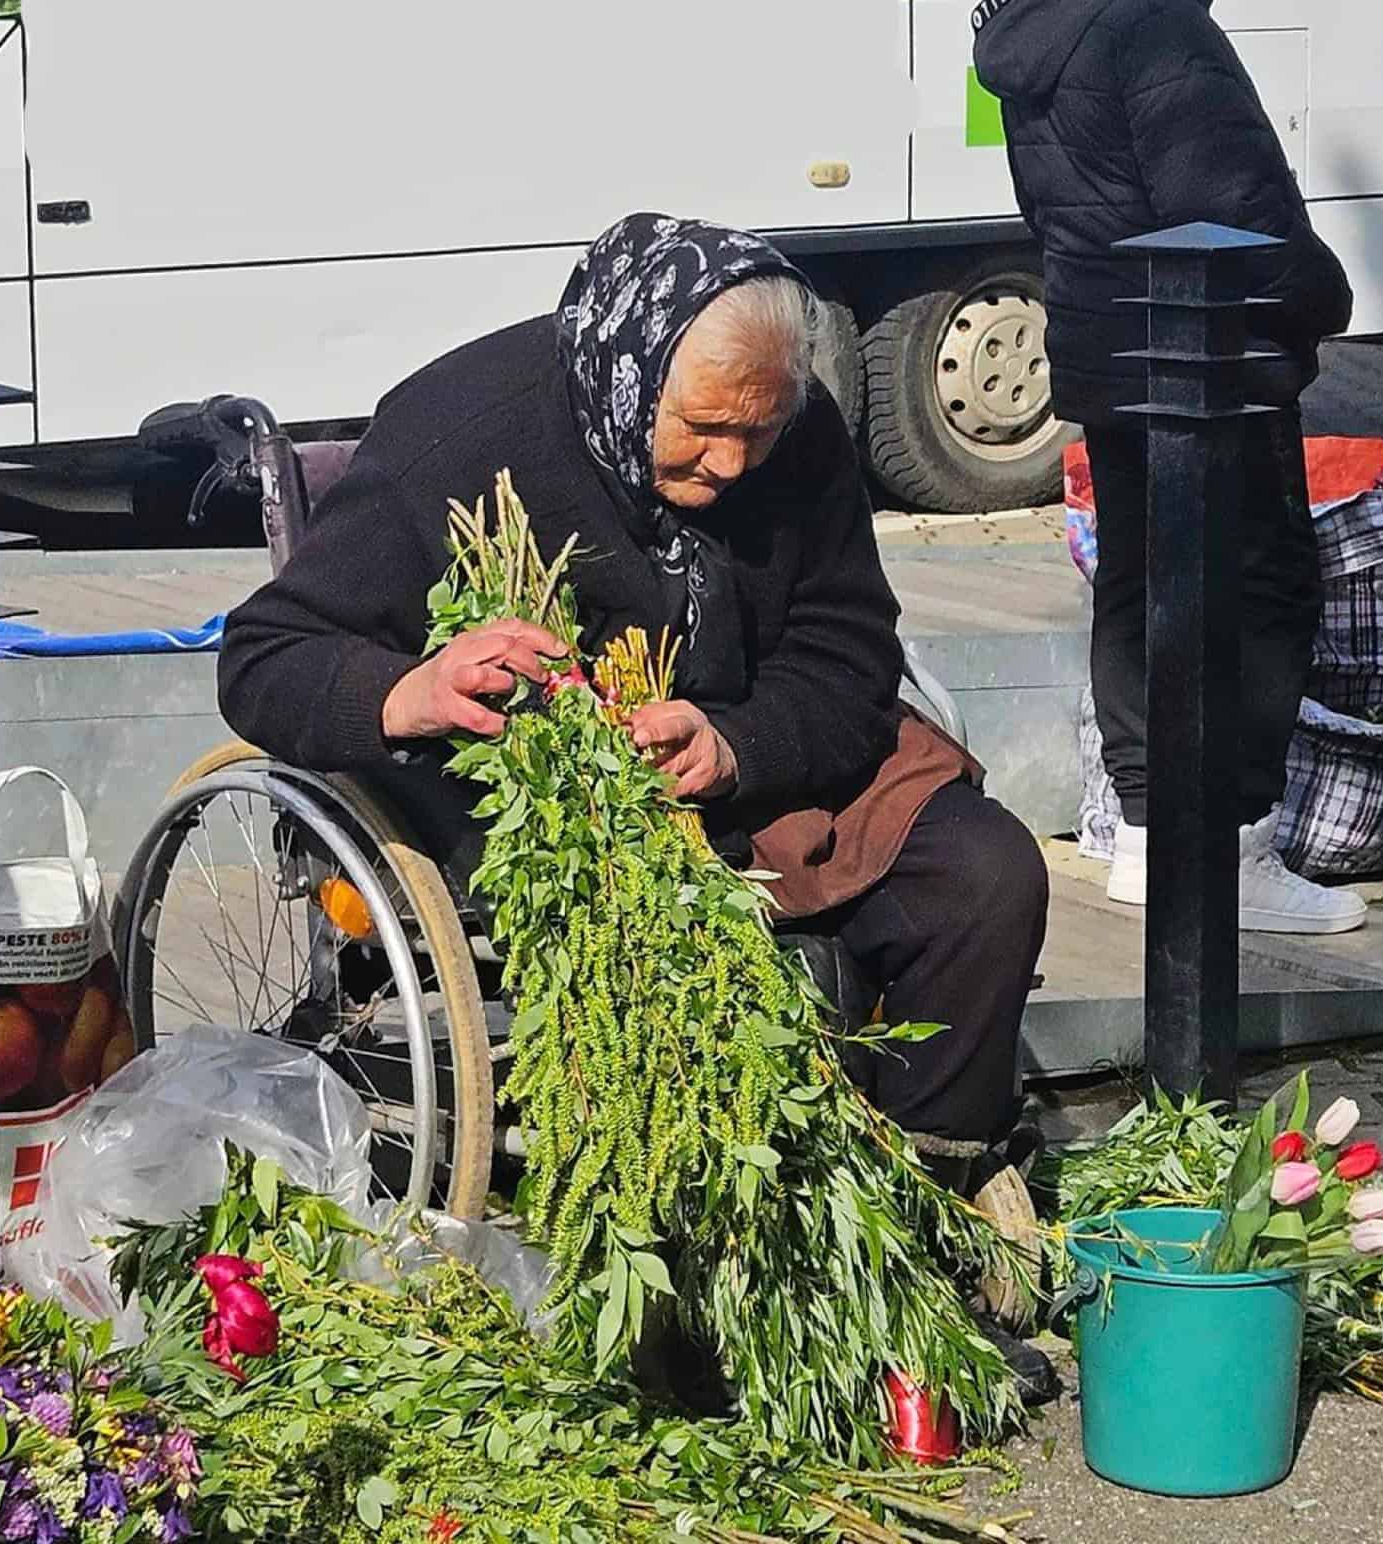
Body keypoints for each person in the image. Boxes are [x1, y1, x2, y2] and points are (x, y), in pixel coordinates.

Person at [219, 213, 1055, 1397]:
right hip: (555, 813)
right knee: (671, 955)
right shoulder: (460, 438)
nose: (730, 467)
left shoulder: (789, 432)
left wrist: (734, 742)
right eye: (706, 429)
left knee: (986, 871)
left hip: (742, 758)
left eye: (756, 435)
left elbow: (847, 647)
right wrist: (408, 689)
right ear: (630, 367)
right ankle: (737, 1287)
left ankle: (923, 1212)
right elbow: (264, 655)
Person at [974, 0, 1367, 933]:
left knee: (1137, 582)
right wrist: (1323, 296)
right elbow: (1235, 209)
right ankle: (1236, 846)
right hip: (1211, 357)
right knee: (1266, 583)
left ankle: (1148, 836)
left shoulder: (1026, 36)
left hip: (1110, 352)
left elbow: (1055, 207)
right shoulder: (1153, 27)